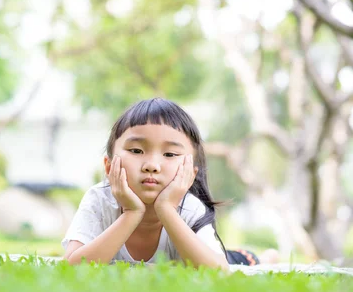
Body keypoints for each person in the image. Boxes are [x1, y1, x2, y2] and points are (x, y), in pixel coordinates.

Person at [62, 98, 277, 269]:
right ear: (109, 167)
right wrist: (131, 213)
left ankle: (265, 259)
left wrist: (166, 209)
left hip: (222, 256)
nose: (152, 165)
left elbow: (218, 272)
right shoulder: (99, 200)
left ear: (189, 174)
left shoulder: (189, 207)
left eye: (170, 153)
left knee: (238, 260)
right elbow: (71, 266)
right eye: (136, 151)